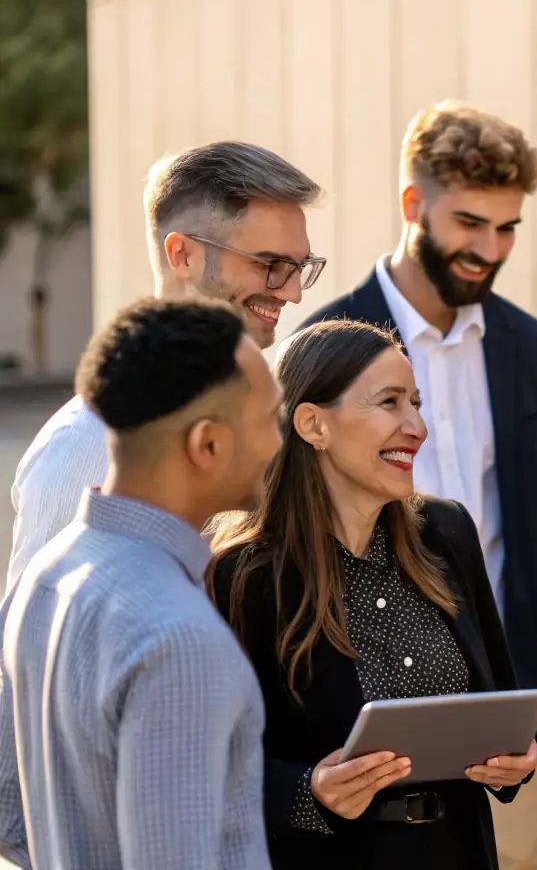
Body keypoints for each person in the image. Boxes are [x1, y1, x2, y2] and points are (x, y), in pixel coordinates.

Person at [300, 100, 537, 870]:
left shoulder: (531, 348)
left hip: (501, 724)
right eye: (470, 224)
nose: (490, 249)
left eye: (508, 229)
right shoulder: (325, 343)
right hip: (353, 732)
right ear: (412, 203)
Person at [209, 318, 537, 870]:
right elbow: (217, 773)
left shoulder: (446, 534)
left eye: (418, 401)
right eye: (390, 401)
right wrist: (311, 789)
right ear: (312, 422)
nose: (417, 426)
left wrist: (515, 756)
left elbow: (496, 694)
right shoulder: (244, 575)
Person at [0, 299, 303, 870]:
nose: (280, 441)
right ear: (207, 445)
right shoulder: (174, 633)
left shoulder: (50, 570)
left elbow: (4, 789)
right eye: (267, 420)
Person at [6, 141, 324, 594]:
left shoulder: (253, 422)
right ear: (183, 255)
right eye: (272, 265)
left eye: (300, 267)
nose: (293, 293)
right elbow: (35, 652)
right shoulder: (84, 445)